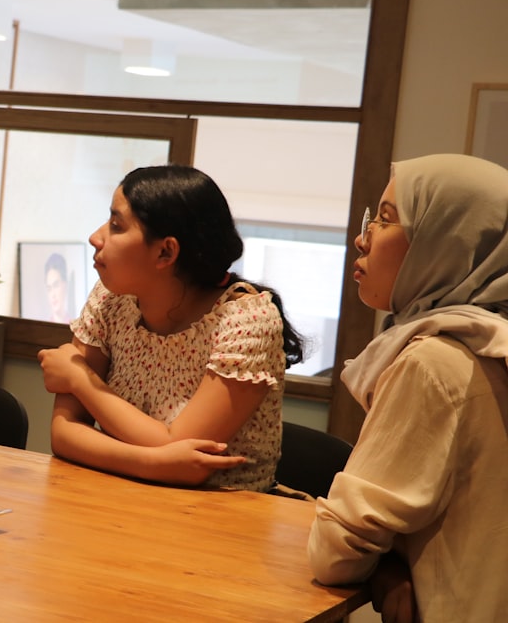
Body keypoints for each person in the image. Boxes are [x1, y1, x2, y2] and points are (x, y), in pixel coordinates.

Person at [307, 154, 508, 622]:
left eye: (385, 218)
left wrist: (380, 563)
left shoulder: (433, 364)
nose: (362, 237)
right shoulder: (491, 345)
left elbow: (334, 553)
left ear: (444, 241)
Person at [39, 165, 303, 491]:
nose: (96, 237)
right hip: (123, 496)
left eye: (116, 226)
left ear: (165, 251)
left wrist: (81, 379)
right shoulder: (111, 297)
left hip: (223, 517)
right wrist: (158, 463)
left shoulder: (247, 321)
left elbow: (182, 450)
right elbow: (64, 435)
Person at [44, 252, 73, 323]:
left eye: (56, 285)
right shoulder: (43, 327)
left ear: (65, 285)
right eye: (49, 288)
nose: (53, 295)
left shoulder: (76, 326)